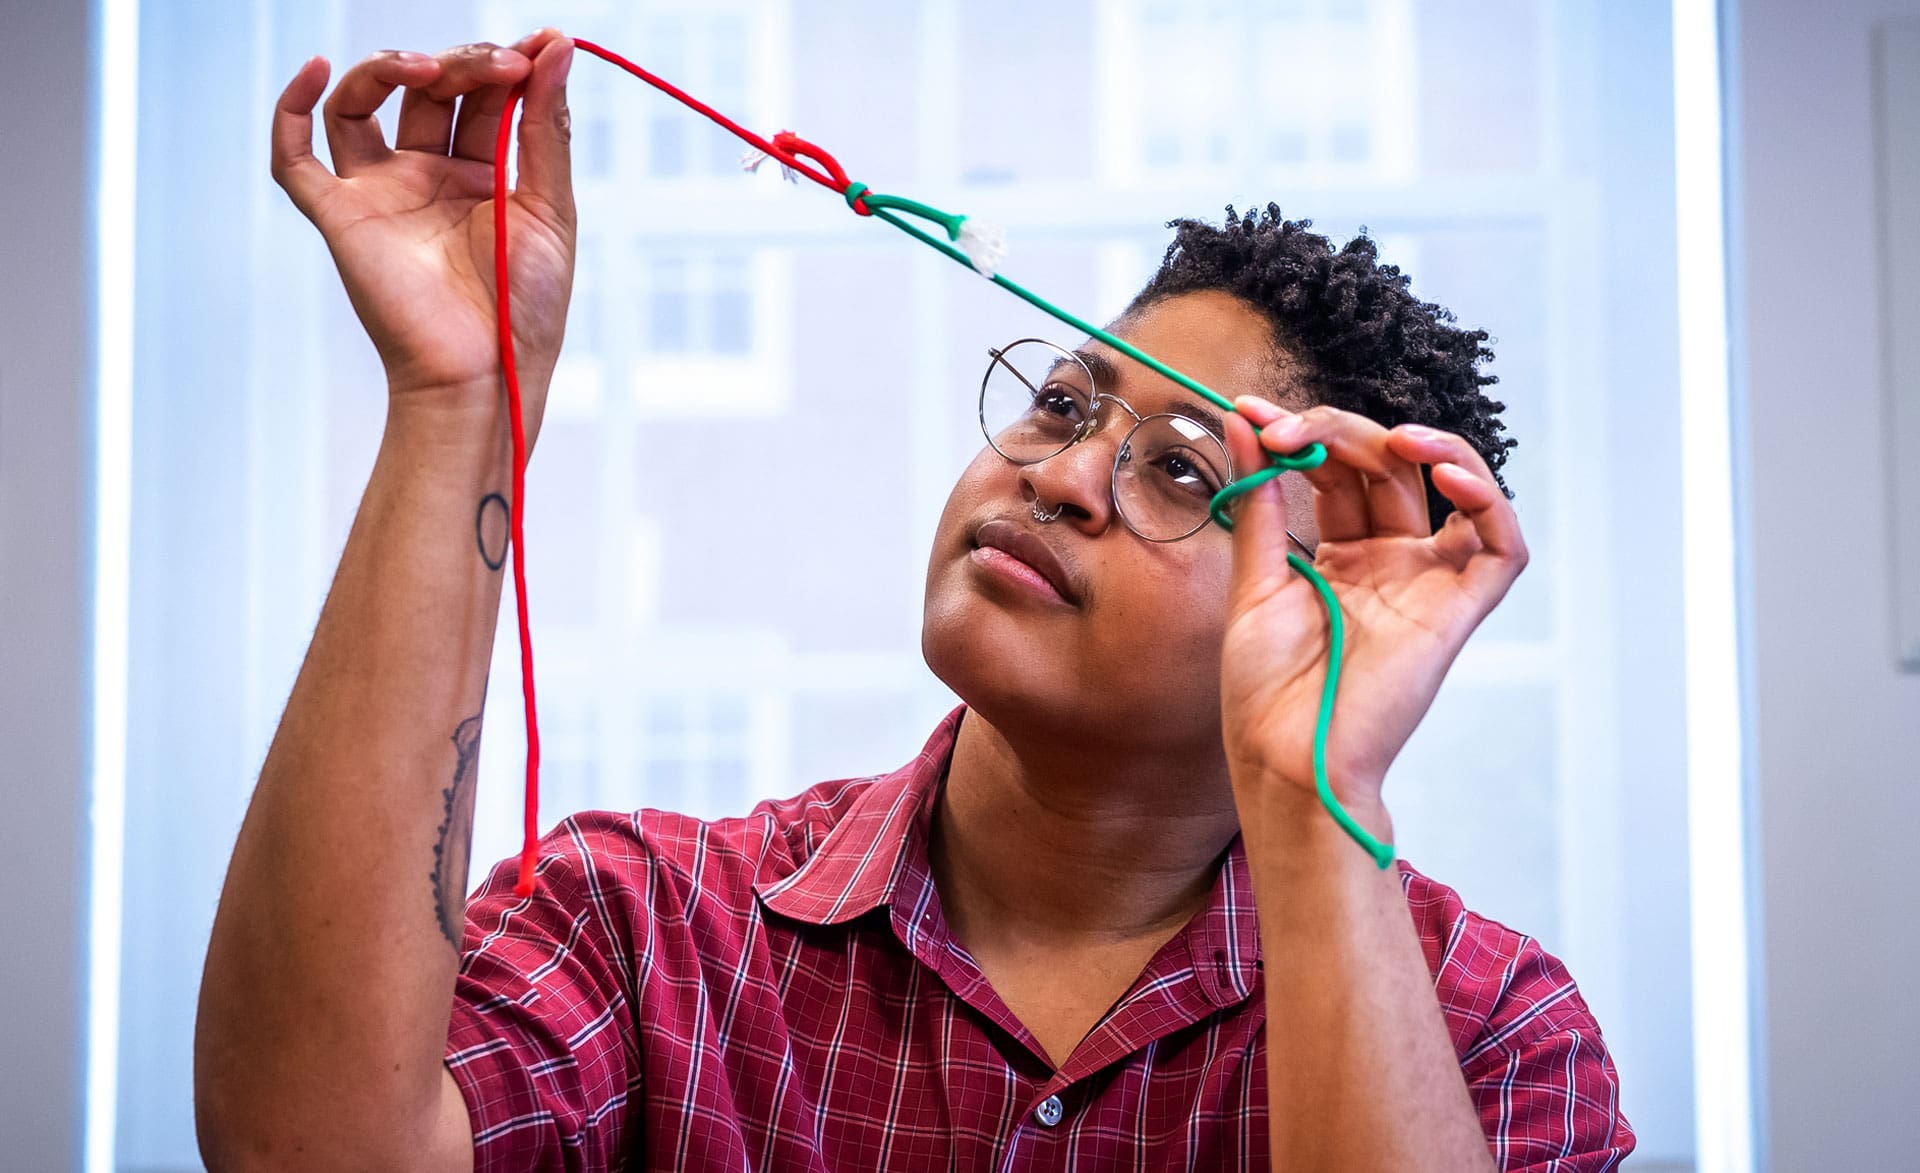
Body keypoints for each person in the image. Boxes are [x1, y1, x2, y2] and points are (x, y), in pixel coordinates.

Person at [193, 28, 1635, 1172]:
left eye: (1186, 476)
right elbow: (306, 1149)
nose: (1065, 474)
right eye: (1066, 400)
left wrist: (1316, 785)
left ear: (1343, 605)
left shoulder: (1489, 1034)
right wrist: (458, 398)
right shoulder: (651, 926)